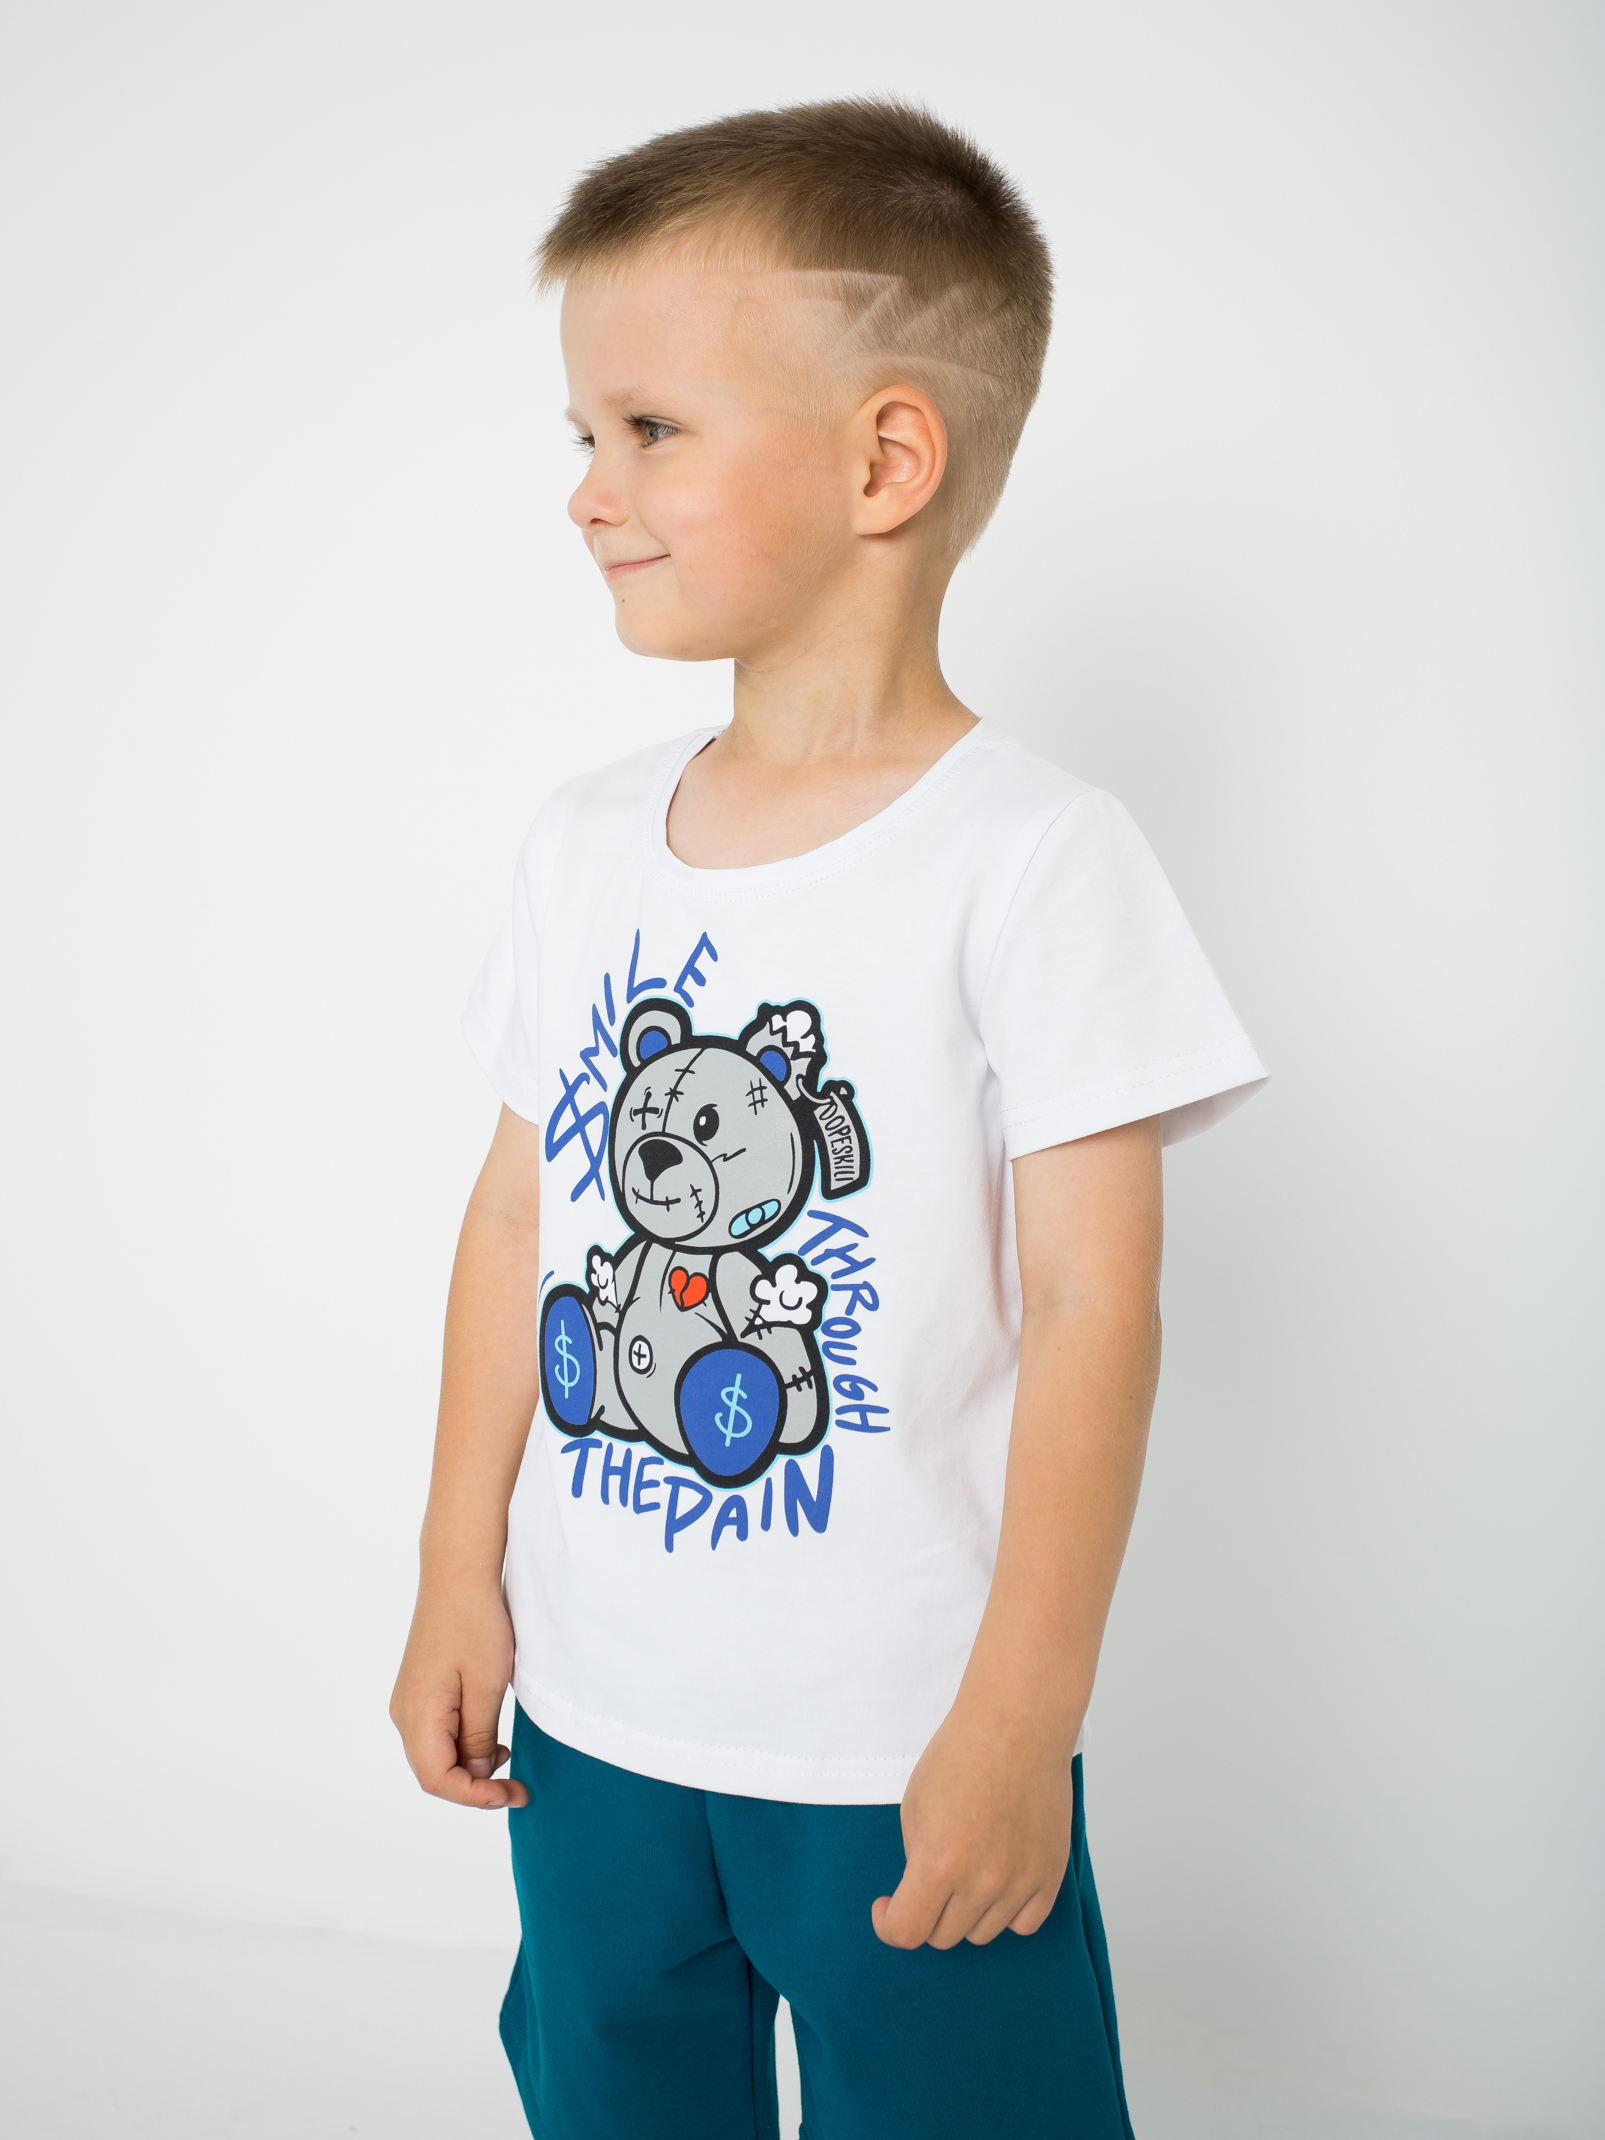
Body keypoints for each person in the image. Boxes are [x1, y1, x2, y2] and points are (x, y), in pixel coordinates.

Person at [391, 98, 1264, 2140]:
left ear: (884, 460)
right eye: (581, 435)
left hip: (893, 1735)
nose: (588, 491)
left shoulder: (1032, 859)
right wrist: (453, 1567)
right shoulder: (583, 841)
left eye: (648, 429)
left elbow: (1095, 1309)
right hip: (595, 1713)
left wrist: (1019, 1717)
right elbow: (518, 1218)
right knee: (611, 2093)